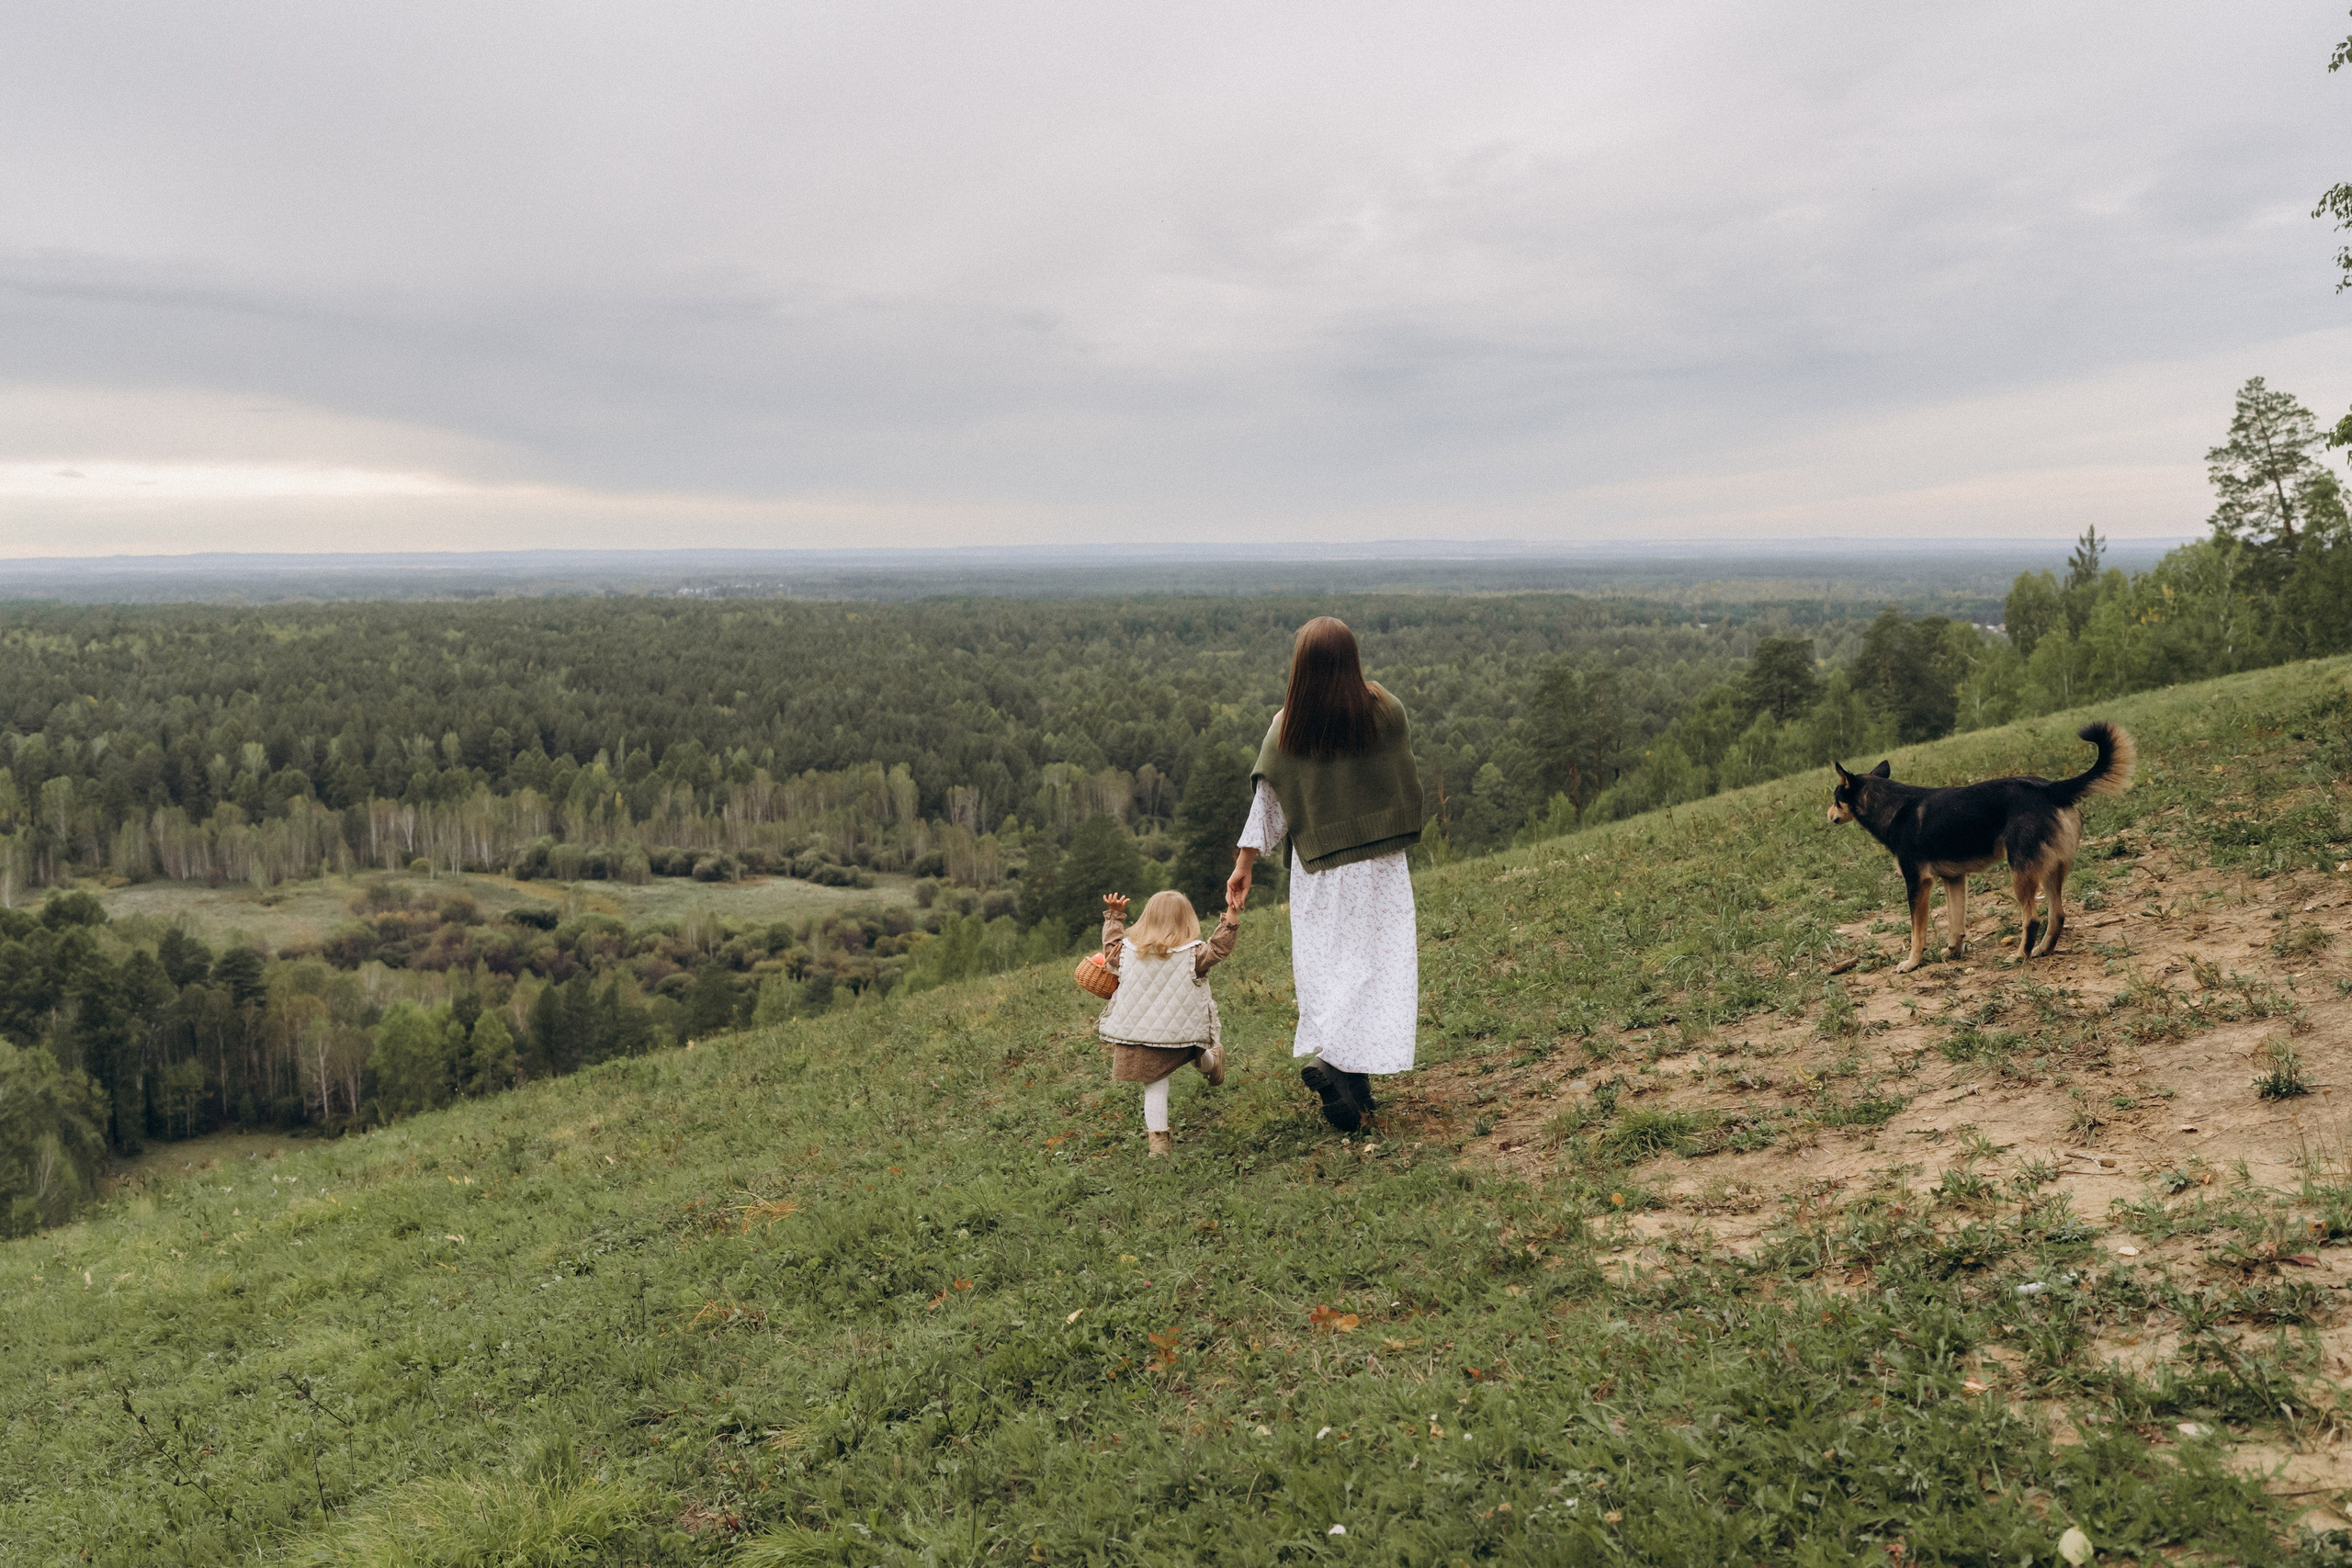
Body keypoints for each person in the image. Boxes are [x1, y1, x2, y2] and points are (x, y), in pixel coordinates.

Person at [1227, 616, 1424, 1133]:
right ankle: (1344, 1075)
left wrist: (1245, 863)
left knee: (1332, 968)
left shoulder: (1287, 727)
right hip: (1379, 866)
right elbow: (1400, 769)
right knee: (1375, 966)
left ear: (1301, 668)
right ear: (1352, 660)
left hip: (1321, 872)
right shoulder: (1385, 710)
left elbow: (1269, 806)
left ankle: (1345, 1076)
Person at [1096, 887, 1242, 1156]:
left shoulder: (1126, 953)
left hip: (1138, 1033)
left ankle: (1159, 1143)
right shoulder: (1193, 955)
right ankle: (1211, 1064)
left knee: (1155, 1081)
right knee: (1195, 1050)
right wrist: (1231, 915)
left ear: (1146, 918)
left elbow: (1109, 947)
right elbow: (1220, 949)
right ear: (1186, 921)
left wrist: (1115, 917)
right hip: (1180, 1032)